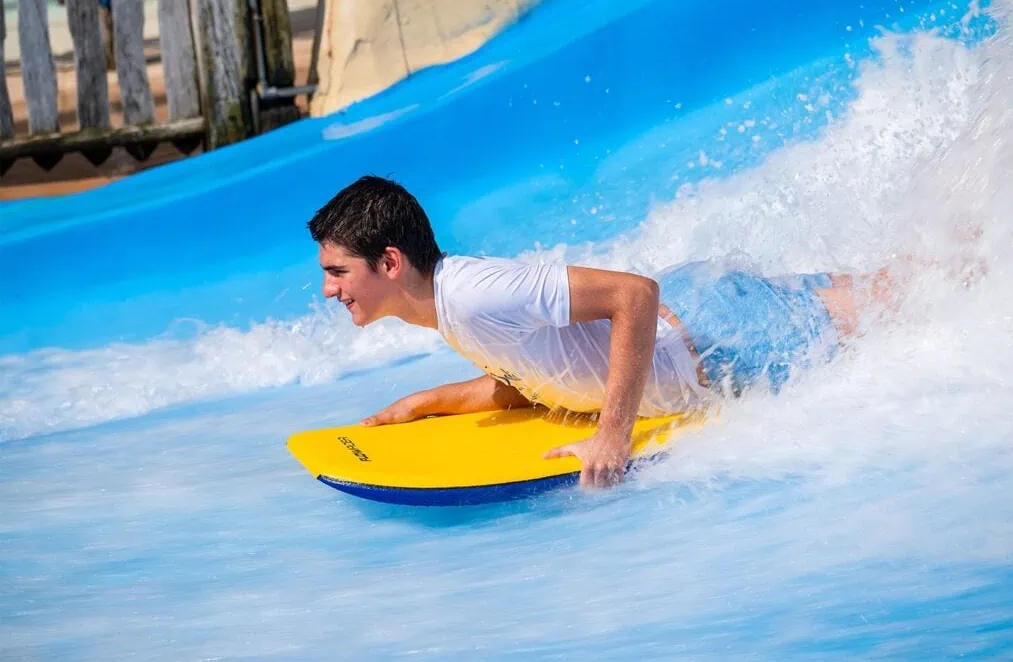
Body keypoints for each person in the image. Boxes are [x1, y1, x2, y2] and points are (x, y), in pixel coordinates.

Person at [308, 176, 898, 487]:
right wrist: (425, 403)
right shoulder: (447, 307)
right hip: (707, 322)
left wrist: (612, 436)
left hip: (726, 340)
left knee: (913, 306)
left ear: (389, 262)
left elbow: (633, 294)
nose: (330, 290)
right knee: (907, 286)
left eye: (338, 272)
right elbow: (540, 374)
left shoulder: (472, 292)